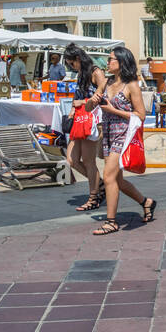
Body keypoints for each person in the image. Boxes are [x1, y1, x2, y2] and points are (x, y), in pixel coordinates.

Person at [91, 46, 154, 235]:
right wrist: (91, 101)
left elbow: (141, 115)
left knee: (108, 176)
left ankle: (111, 221)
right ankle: (146, 202)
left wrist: (113, 111)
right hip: (108, 133)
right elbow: (89, 108)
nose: (107, 63)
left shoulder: (132, 85)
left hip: (123, 134)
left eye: (111, 60)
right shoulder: (106, 83)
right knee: (117, 179)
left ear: (122, 62)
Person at [65, 43, 107, 214]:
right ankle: (100, 184)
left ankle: (94, 196)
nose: (70, 66)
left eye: (71, 63)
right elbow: (78, 96)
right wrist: (71, 111)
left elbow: (102, 95)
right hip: (79, 120)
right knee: (72, 159)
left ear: (77, 58)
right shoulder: (81, 74)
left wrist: (82, 103)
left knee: (89, 161)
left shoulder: (96, 72)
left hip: (91, 121)